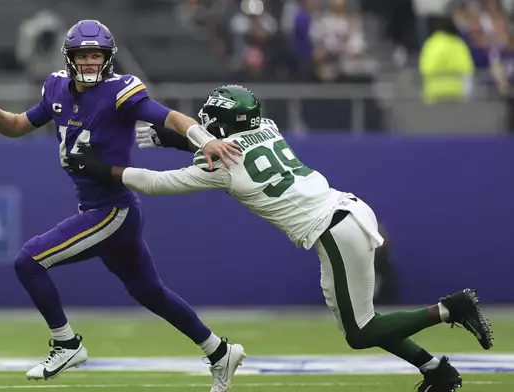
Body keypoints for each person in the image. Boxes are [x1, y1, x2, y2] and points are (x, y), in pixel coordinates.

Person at [66, 84, 494, 392]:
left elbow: (159, 183)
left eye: (212, 120)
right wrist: (172, 138)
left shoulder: (223, 164)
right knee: (361, 323)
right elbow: (226, 148)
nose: (206, 125)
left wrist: (106, 169)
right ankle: (436, 370)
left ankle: (448, 309)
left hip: (332, 229)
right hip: (347, 212)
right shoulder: (267, 126)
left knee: (360, 331)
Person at [0, 20, 245, 392]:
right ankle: (220, 351)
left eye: (96, 55)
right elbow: (16, 126)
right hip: (99, 209)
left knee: (28, 261)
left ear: (107, 58)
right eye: (83, 55)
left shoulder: (120, 91)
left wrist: (203, 139)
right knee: (149, 292)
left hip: (112, 211)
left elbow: (170, 117)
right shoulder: (56, 86)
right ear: (71, 58)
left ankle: (66, 344)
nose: (91, 62)